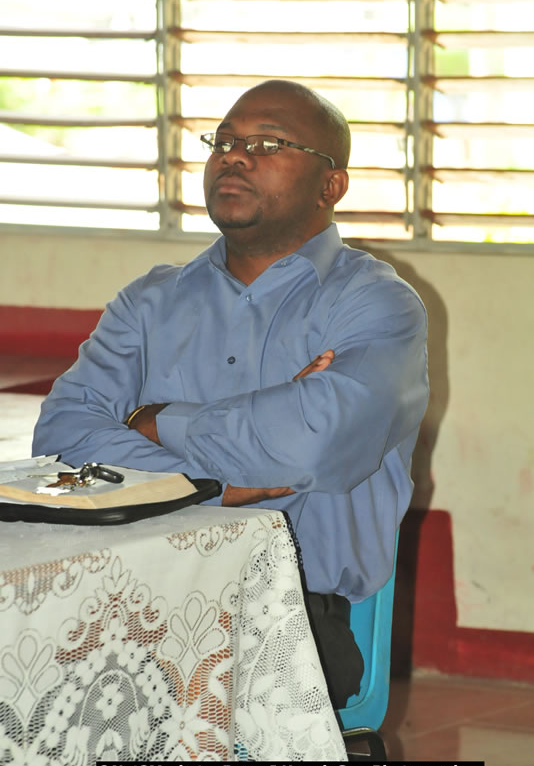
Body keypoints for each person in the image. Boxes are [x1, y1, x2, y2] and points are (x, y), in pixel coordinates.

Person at [32, 79, 429, 709]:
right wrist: (213, 482)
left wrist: (154, 421)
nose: (234, 157)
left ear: (332, 185)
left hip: (290, 619)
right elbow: (62, 435)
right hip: (132, 603)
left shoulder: (375, 303)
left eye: (268, 143)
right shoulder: (149, 301)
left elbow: (312, 445)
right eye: (224, 140)